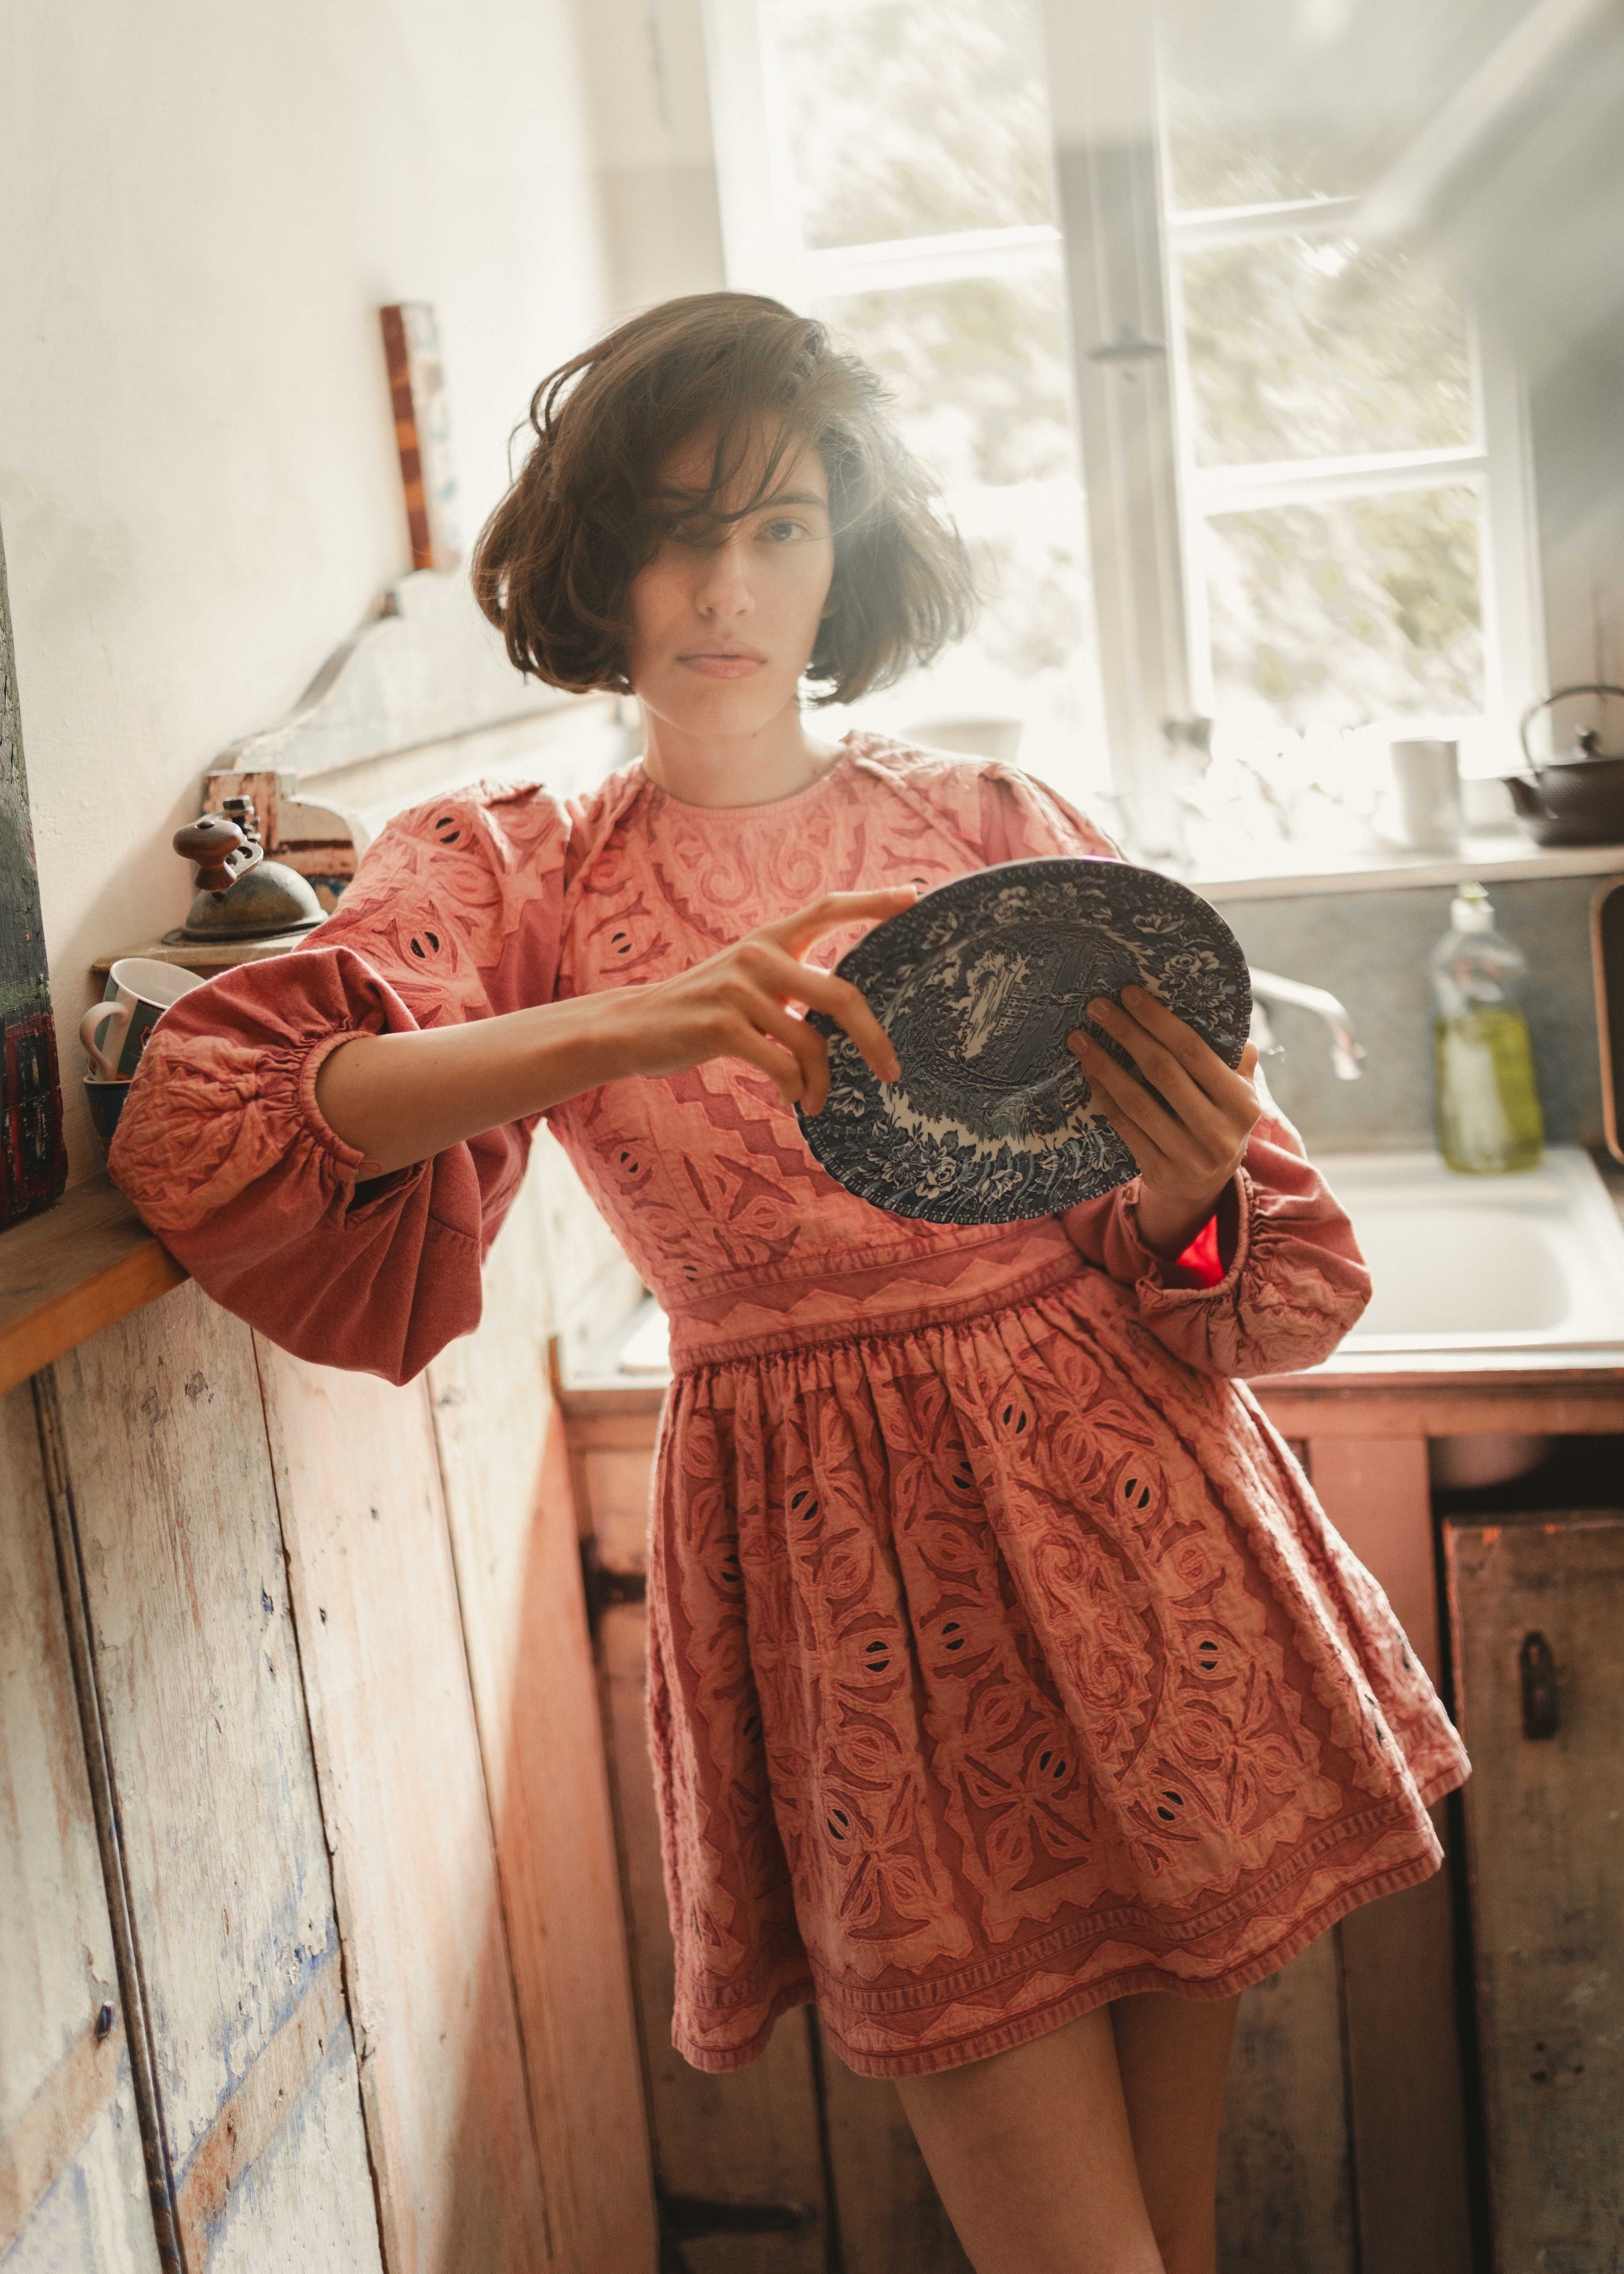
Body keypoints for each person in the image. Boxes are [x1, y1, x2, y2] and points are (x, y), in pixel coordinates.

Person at [111, 292, 1468, 2274]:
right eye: (674, 528)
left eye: (781, 528)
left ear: (852, 554)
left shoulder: (988, 835)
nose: (725, 585)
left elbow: (1248, 1290)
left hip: (1144, 1548)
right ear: (595, 563)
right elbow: (212, 1121)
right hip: (852, 1607)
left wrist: (1187, 1194)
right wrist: (626, 1025)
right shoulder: (526, 877)